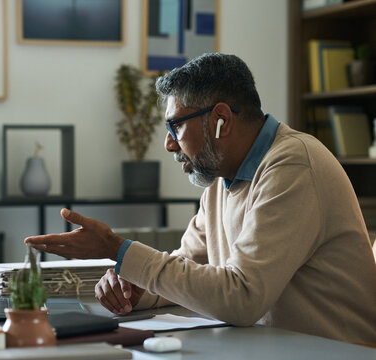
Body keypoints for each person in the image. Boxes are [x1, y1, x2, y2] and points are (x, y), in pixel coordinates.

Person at [25, 53, 376, 343]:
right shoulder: (220, 181)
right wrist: (137, 287)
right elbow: (190, 269)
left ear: (221, 119)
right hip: (269, 348)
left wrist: (117, 249)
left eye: (175, 126)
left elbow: (241, 298)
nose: (168, 144)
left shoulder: (293, 165)